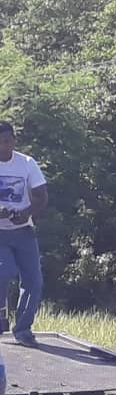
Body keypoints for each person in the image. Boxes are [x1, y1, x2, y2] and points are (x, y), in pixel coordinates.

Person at [0, 121, 48, 347]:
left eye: (7, 141)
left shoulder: (27, 164)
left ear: (14, 141)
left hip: (23, 229)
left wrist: (26, 212)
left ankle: (23, 329)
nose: (3, 146)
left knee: (33, 281)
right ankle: (1, 319)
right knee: (4, 272)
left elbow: (41, 196)